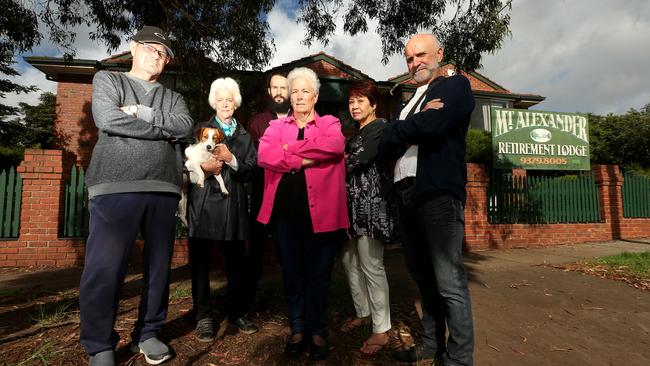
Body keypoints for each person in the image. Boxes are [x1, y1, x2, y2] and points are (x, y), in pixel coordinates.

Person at [79, 26, 193, 366]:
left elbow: (185, 126)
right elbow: (107, 119)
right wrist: (163, 131)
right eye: (150, 48)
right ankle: (99, 345)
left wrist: (140, 113)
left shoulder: (173, 96)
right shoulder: (109, 81)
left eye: (164, 53)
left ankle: (149, 333)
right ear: (133, 47)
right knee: (105, 268)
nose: (156, 56)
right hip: (114, 185)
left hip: (164, 188)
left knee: (158, 268)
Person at [379, 33, 475, 366]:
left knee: (448, 280)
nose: (415, 62)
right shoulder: (411, 99)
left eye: (421, 55)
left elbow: (433, 127)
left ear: (439, 53)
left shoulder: (454, 85)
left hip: (436, 192)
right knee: (422, 277)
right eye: (409, 58)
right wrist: (406, 126)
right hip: (405, 195)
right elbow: (384, 140)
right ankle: (432, 345)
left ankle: (459, 359)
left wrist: (401, 128)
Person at [257, 67, 348, 361]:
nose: (298, 96)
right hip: (285, 215)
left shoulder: (330, 123)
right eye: (294, 91)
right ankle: (297, 329)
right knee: (292, 273)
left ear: (316, 96)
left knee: (319, 274)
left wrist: (289, 151)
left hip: (321, 216)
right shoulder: (276, 126)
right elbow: (264, 155)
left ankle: (317, 329)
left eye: (304, 91)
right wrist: (306, 159)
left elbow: (334, 145)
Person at [187, 77, 258, 342]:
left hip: (234, 205)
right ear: (213, 102)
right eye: (220, 99)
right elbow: (183, 158)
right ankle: (203, 316)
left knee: (236, 263)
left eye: (230, 100)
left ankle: (237, 312)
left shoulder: (244, 135)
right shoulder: (201, 128)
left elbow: (252, 169)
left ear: (236, 104)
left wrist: (232, 159)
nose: (225, 104)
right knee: (201, 263)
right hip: (204, 203)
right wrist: (202, 167)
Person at [340, 80, 394, 355]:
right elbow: (347, 157)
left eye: (361, 100)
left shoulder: (379, 129)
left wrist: (344, 157)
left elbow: (354, 160)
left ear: (373, 104)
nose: (355, 106)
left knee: (372, 265)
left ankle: (382, 328)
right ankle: (362, 312)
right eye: (351, 102)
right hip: (349, 208)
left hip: (371, 207)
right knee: (349, 261)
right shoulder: (352, 136)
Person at [246, 73, 290, 313]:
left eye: (284, 87)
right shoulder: (257, 122)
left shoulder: (299, 120)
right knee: (257, 250)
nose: (280, 92)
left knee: (290, 250)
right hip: (264, 195)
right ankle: (249, 299)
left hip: (292, 197)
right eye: (276, 87)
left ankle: (293, 299)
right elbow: (255, 160)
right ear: (269, 91)